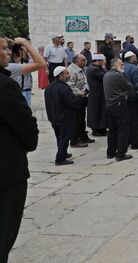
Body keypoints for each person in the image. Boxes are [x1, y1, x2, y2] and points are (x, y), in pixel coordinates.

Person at [0, 36, 39, 262]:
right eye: (4, 49)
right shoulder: (5, 85)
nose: (8, 52)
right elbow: (26, 127)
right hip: (7, 171)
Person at [45, 66, 84, 165]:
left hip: (53, 117)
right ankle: (60, 159)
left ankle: (63, 153)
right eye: (67, 73)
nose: (69, 75)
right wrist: (79, 97)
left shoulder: (49, 87)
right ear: (60, 75)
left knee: (59, 136)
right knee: (64, 137)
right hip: (64, 117)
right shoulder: (64, 88)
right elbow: (72, 102)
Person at [103, 58, 133, 161]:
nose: (123, 66)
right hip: (118, 104)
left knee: (112, 129)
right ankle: (121, 153)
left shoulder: (106, 75)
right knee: (123, 128)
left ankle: (110, 152)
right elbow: (129, 86)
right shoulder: (118, 75)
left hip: (109, 104)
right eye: (121, 64)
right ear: (115, 65)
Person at [5, 37, 46, 107]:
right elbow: (41, 63)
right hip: (20, 93)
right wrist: (26, 43)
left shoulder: (11, 66)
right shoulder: (11, 67)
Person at [67, 54, 94, 147]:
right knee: (76, 120)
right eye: (83, 60)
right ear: (77, 61)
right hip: (76, 98)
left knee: (82, 119)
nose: (85, 61)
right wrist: (80, 92)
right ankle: (74, 140)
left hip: (84, 97)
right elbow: (70, 85)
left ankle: (83, 137)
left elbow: (86, 81)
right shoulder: (71, 71)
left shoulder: (83, 69)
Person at [122, 51, 138, 150]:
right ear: (132, 58)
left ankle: (126, 141)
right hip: (133, 98)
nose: (136, 59)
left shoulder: (121, 67)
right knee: (135, 121)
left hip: (123, 98)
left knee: (126, 121)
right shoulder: (135, 69)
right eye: (135, 57)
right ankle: (135, 143)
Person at [86, 54, 109, 137]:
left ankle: (102, 129)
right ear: (98, 61)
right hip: (97, 94)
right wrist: (104, 68)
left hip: (98, 93)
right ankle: (97, 130)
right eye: (103, 61)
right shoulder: (94, 69)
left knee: (101, 112)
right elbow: (106, 77)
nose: (104, 63)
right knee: (97, 112)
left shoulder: (93, 67)